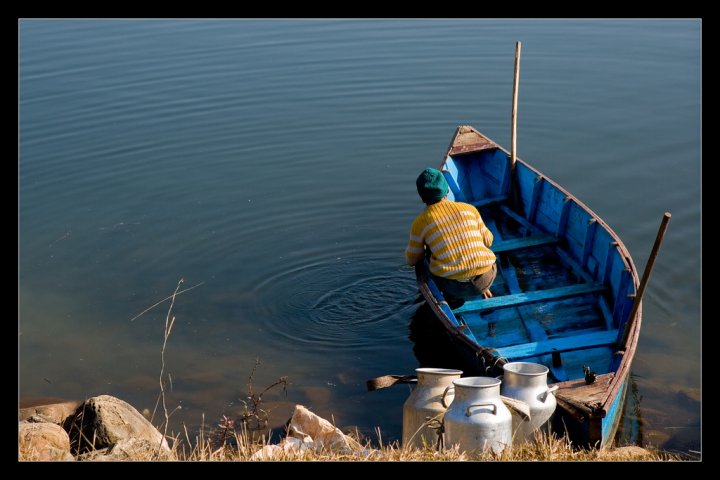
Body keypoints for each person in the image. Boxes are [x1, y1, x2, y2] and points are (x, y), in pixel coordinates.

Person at [404, 167, 497, 302]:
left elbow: (412, 260)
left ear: (422, 198)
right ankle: (483, 289)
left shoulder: (420, 223)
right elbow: (489, 241)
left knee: (425, 257)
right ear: (447, 190)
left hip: (453, 286)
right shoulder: (469, 209)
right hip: (487, 278)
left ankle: (450, 299)